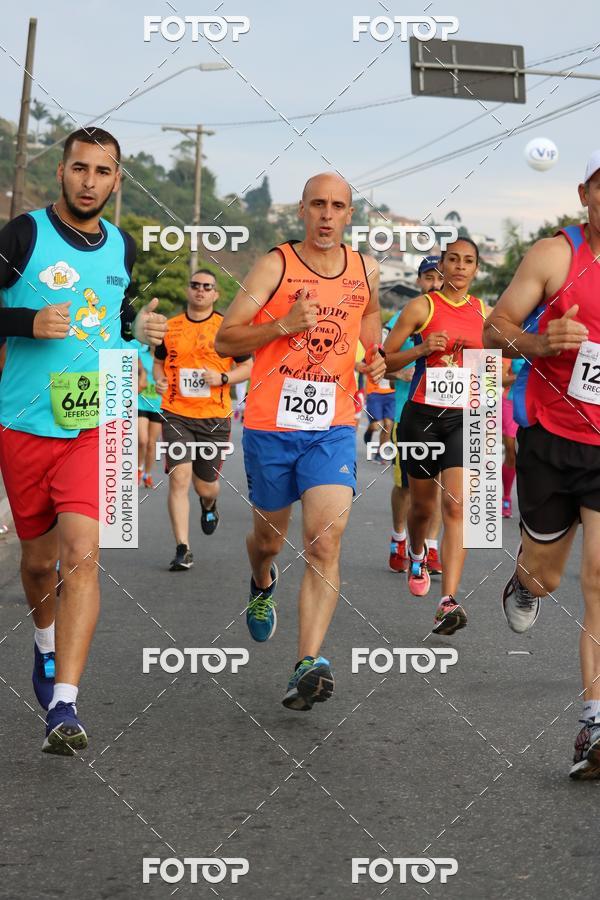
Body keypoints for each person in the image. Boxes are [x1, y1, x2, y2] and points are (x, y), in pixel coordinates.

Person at [0, 128, 167, 755]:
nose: (89, 181)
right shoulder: (22, 234)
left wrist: (140, 333)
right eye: (79, 168)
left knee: (82, 555)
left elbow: (116, 324)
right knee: (39, 561)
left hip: (94, 423)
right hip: (22, 424)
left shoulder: (123, 246)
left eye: (103, 171)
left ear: (117, 179)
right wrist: (24, 321)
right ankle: (44, 642)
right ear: (62, 172)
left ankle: (65, 705)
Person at [215, 172, 386, 710]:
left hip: (333, 427)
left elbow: (371, 312)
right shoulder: (276, 265)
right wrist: (283, 325)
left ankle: (306, 663)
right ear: (302, 211)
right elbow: (226, 337)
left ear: (350, 214)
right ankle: (261, 579)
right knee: (269, 540)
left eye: (338, 206)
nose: (327, 215)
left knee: (324, 542)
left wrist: (374, 348)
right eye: (318, 205)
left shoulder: (365, 269)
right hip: (270, 426)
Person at [483, 152, 600, 779]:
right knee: (548, 576)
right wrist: (538, 342)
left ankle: (595, 721)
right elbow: (493, 327)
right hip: (551, 441)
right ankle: (524, 581)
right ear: (585, 193)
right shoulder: (555, 256)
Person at [384, 239, 488, 634]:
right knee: (423, 509)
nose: (460, 267)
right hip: (421, 417)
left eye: (468, 262)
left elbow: (503, 353)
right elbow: (385, 359)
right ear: (441, 265)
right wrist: (424, 348)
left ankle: (448, 600)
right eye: (453, 260)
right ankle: (415, 551)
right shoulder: (421, 307)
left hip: (464, 417)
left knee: (457, 508)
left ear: (476, 269)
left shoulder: (483, 311)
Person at [153, 269, 252, 571]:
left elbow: (248, 367)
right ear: (188, 290)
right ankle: (183, 548)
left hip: (214, 417)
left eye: (206, 287)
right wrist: (159, 381)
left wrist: (222, 377)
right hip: (176, 413)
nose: (200, 291)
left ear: (215, 294)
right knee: (179, 479)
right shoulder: (170, 327)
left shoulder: (227, 328)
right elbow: (159, 363)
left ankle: (209, 505)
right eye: (195, 285)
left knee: (205, 487)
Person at [387, 257, 444, 574]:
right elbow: (380, 365)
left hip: (448, 417)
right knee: (406, 487)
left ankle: (430, 547)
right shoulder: (404, 316)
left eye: (440, 277)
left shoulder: (459, 316)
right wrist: (401, 372)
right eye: (428, 277)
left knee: (435, 487)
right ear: (418, 281)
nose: (435, 283)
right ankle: (398, 538)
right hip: (407, 414)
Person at [134, 339, 163, 488]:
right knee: (142, 440)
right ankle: (138, 469)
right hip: (141, 402)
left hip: (158, 405)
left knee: (152, 444)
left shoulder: (165, 358)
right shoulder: (140, 352)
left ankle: (148, 473)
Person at [501, 357, 525, 517]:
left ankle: (531, 498)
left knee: (530, 452)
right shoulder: (512, 347)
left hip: (534, 403)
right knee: (511, 452)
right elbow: (500, 380)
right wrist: (522, 376)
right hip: (511, 403)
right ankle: (507, 496)